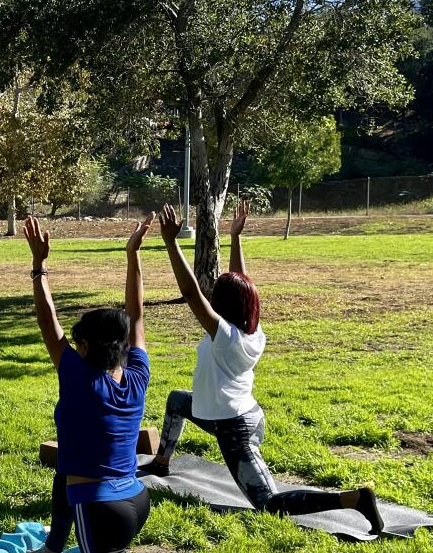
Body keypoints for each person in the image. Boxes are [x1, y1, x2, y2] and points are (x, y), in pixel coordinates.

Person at [22, 214, 232, 553]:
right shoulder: (136, 373)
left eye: (78, 341)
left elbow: (48, 320)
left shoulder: (79, 377)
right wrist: (133, 256)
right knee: (67, 463)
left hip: (101, 511)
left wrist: (39, 265)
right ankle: (53, 548)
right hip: (136, 500)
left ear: (83, 347)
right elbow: (135, 317)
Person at [142, 201, 383, 535]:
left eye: (217, 292)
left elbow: (190, 293)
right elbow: (240, 281)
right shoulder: (249, 329)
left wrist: (171, 243)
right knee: (178, 400)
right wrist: (235, 237)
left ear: (222, 304)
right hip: (235, 414)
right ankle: (161, 462)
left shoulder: (225, 336)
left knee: (269, 504)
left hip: (234, 429)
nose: (211, 293)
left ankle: (354, 500)